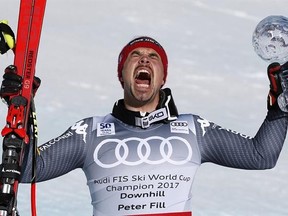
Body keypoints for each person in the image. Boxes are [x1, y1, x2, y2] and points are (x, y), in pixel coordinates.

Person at [0, 36, 288, 216]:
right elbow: (26, 171)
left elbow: (260, 156)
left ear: (162, 78)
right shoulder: (90, 132)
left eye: (153, 58)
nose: (144, 60)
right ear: (122, 75)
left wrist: (280, 105)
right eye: (135, 57)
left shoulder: (192, 129)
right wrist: (21, 111)